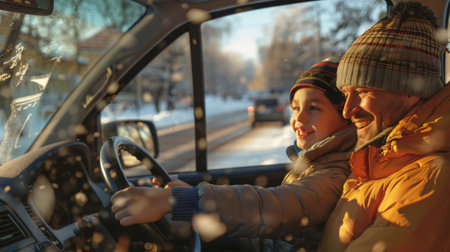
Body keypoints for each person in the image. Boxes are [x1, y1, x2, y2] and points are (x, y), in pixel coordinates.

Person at [111, 58, 357, 251]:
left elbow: (275, 208)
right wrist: (192, 199)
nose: (299, 118)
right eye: (295, 108)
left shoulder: (336, 175)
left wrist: (178, 201)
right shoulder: (317, 165)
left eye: (314, 108)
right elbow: (269, 233)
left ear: (347, 117)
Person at [318, 2, 450, 251]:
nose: (348, 110)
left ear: (411, 91)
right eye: (346, 93)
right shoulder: (384, 158)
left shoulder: (429, 179)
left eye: (363, 91)